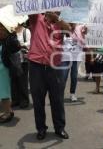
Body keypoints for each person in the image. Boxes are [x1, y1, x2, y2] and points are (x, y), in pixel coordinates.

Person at [28, 11, 71, 140]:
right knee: (38, 99)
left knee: (57, 98)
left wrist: (57, 19)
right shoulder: (36, 18)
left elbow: (69, 31)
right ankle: (41, 128)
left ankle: (60, 128)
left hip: (55, 65)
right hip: (36, 65)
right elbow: (29, 5)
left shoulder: (61, 22)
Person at [0, 23, 21, 123]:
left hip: (3, 69)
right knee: (3, 92)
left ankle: (8, 113)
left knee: (4, 92)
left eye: (1, 28)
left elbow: (16, 47)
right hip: (1, 68)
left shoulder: (9, 39)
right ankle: (8, 111)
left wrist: (12, 33)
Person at [61, 24, 87, 102]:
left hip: (75, 58)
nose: (71, 25)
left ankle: (72, 94)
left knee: (74, 77)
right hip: (65, 58)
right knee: (63, 77)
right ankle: (60, 94)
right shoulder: (63, 32)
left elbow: (84, 42)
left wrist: (83, 33)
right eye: (70, 23)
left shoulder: (79, 31)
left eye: (73, 23)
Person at [12, 24, 31, 108]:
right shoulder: (11, 30)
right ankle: (15, 99)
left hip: (23, 59)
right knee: (13, 80)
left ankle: (24, 100)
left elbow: (29, 43)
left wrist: (20, 44)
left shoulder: (26, 31)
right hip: (13, 59)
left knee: (23, 80)